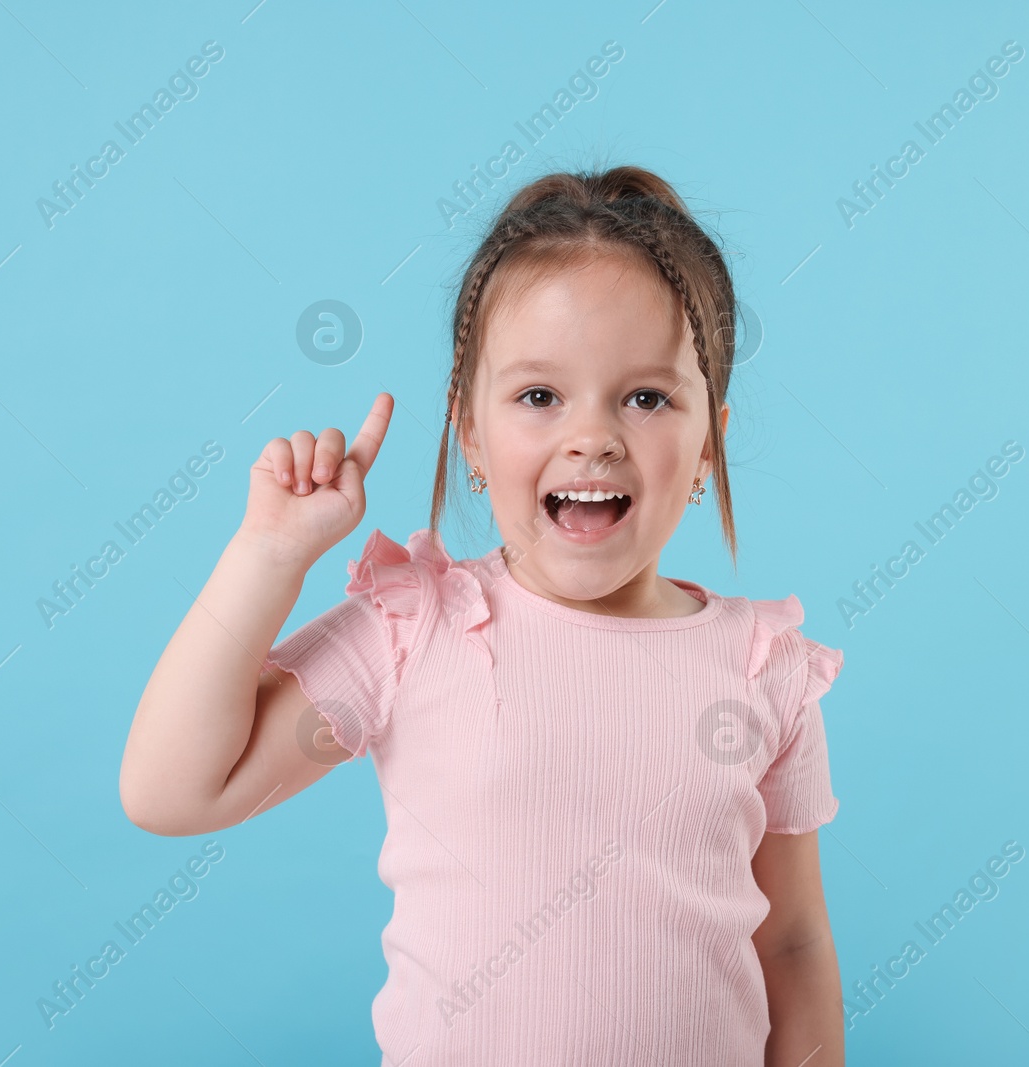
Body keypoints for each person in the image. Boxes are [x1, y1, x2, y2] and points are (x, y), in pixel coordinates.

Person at [119, 164, 846, 1066]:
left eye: (648, 397)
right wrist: (266, 557)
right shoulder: (418, 628)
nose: (593, 436)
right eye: (540, 396)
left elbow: (794, 945)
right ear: (469, 430)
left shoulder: (764, 666)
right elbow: (171, 790)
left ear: (710, 442)